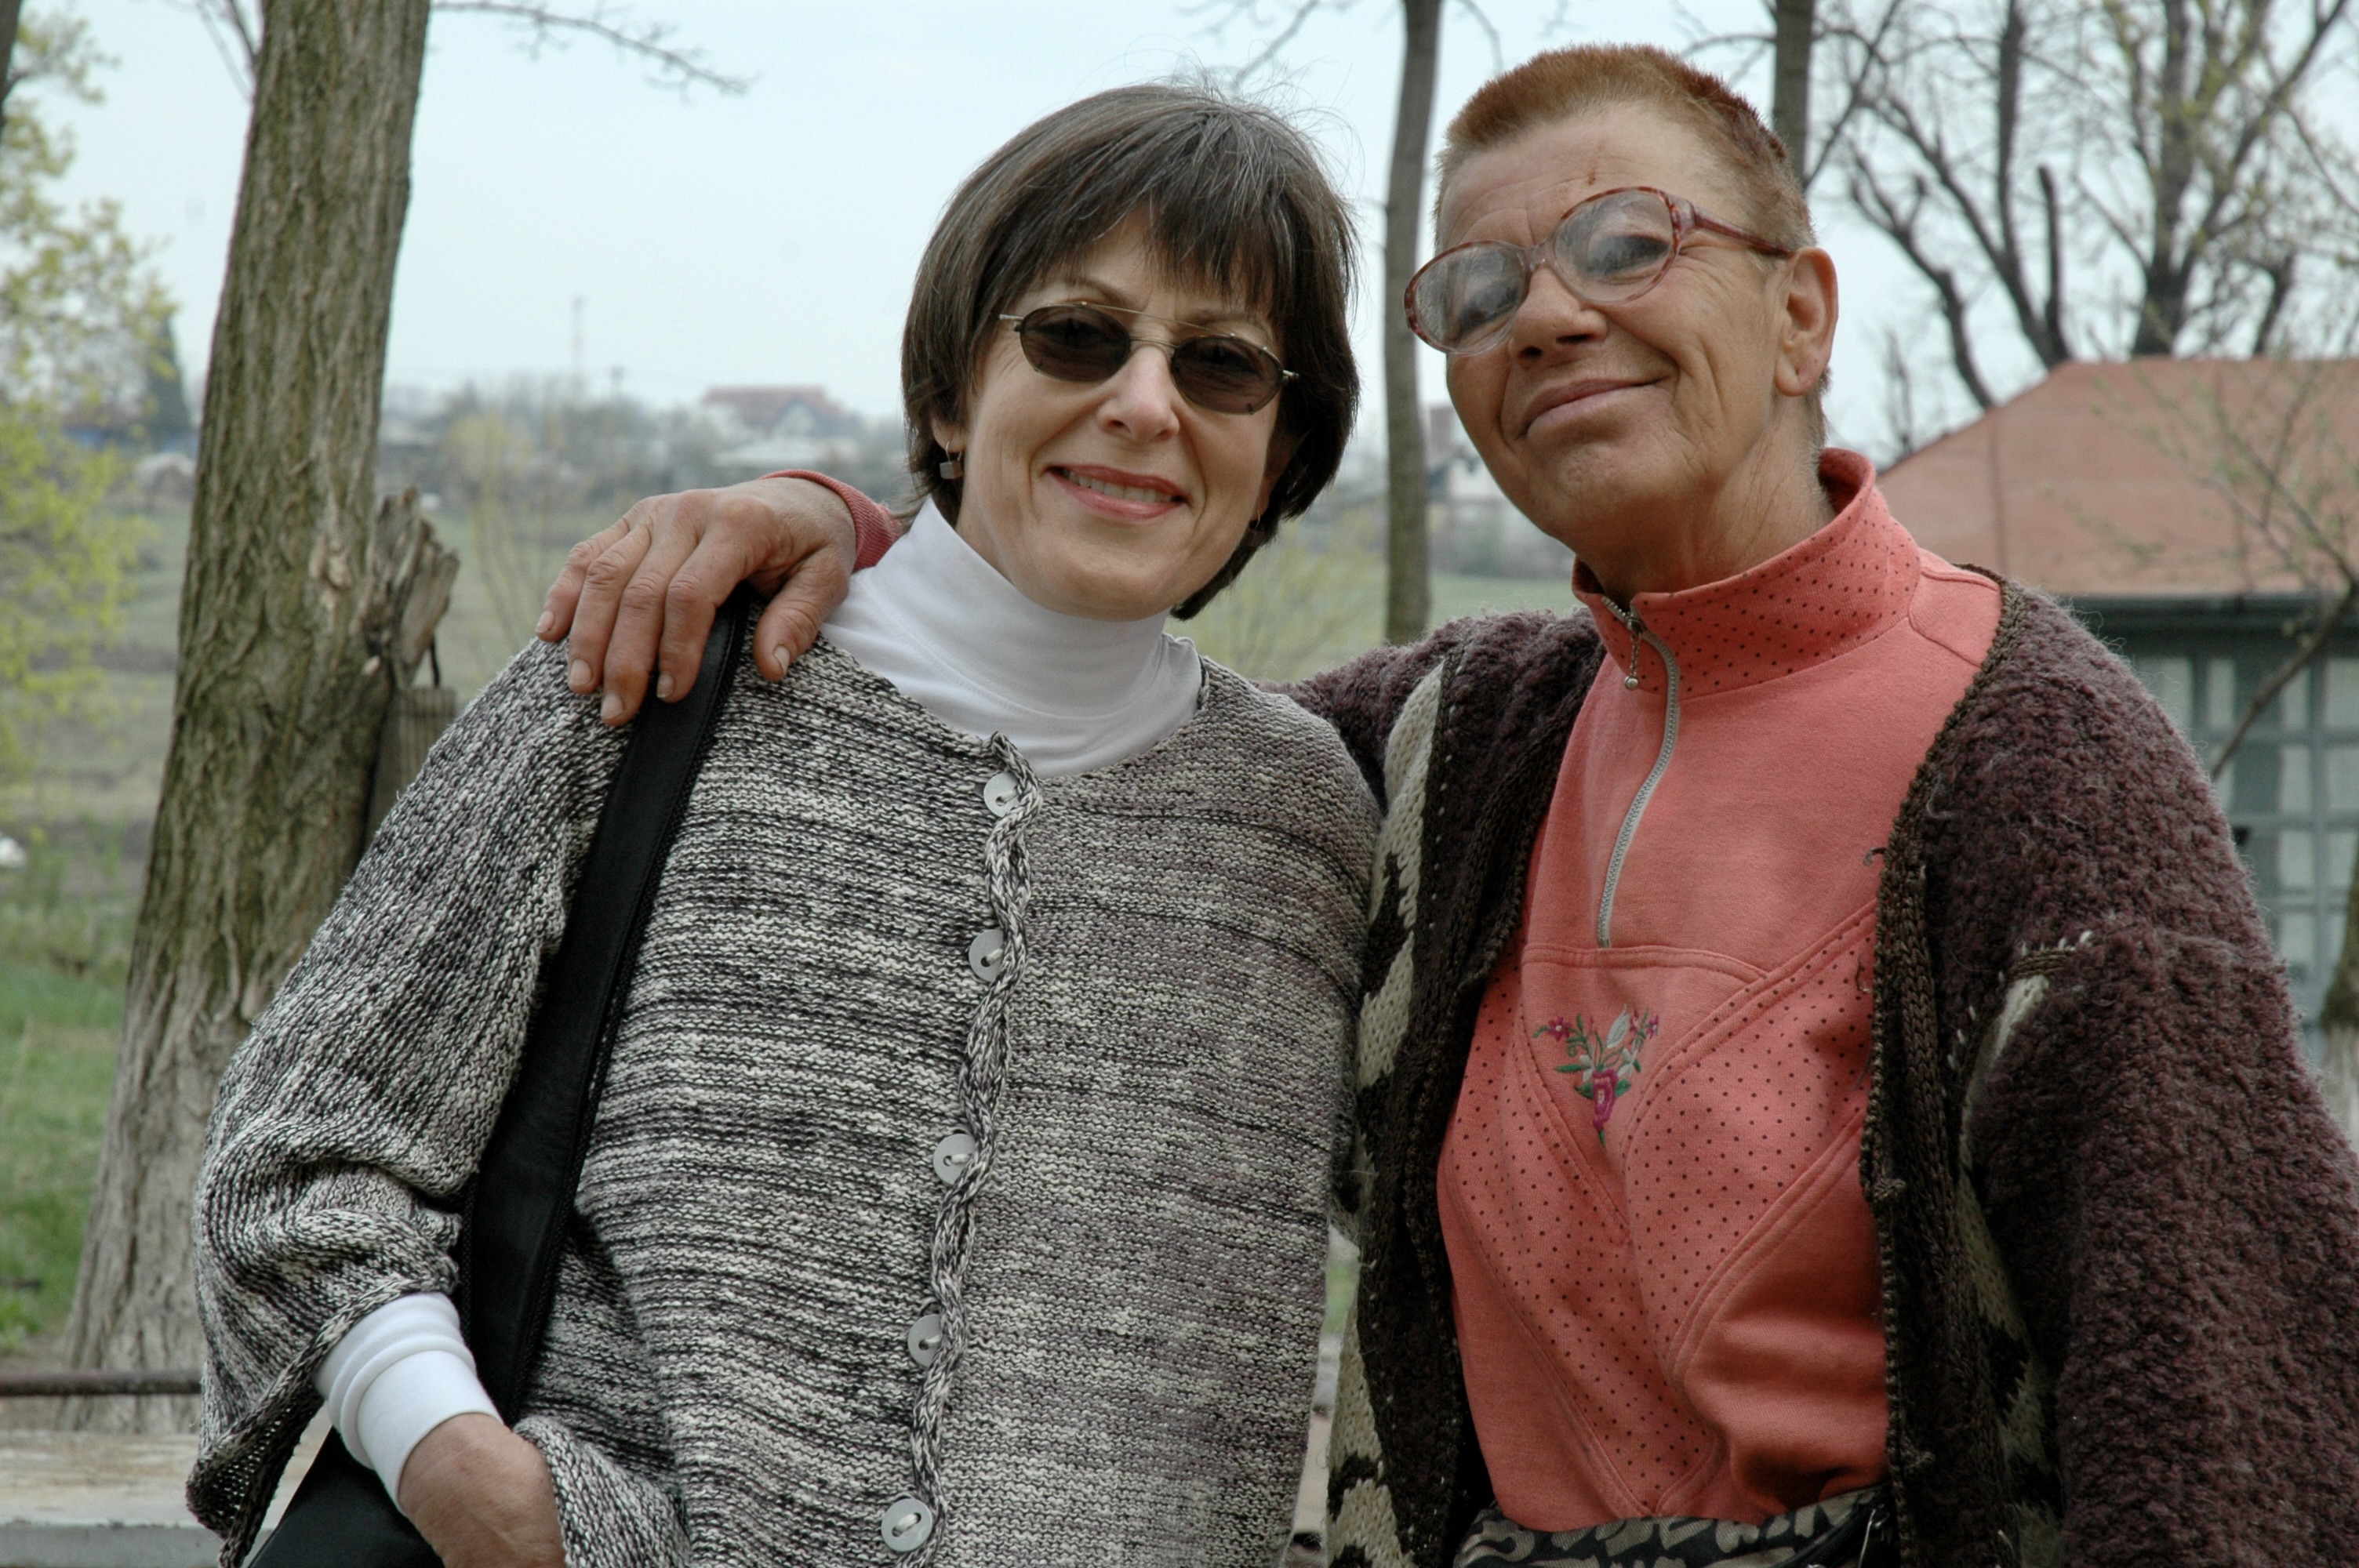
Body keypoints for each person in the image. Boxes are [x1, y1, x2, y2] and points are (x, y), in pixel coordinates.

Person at [546, 43, 2359, 1568]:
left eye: (1627, 242)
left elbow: (2223, 1420)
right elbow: (1080, 735)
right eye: (1479, 291)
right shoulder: (1456, 745)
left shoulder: (2039, 766)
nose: (1548, 314)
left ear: (1801, 310)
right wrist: (848, 529)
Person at [188, 83, 1378, 1568]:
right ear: (950, 392)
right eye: (1078, 336)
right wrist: (455, 1468)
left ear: (1284, 448)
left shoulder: (1310, 823)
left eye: (1223, 364)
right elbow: (301, 1163)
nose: (1147, 403)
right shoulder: (643, 675)